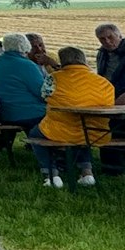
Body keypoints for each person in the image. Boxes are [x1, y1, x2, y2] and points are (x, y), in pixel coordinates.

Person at [35, 46, 111, 188]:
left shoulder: (55, 78)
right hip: (96, 131)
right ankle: (87, 172)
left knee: (36, 135)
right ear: (83, 60)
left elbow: (44, 95)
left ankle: (52, 175)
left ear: (62, 61)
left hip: (61, 128)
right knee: (82, 133)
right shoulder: (102, 81)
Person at [0, 33, 51, 170]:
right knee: (60, 117)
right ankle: (59, 159)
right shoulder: (27, 65)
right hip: (28, 113)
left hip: (4, 111)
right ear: (25, 46)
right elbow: (42, 93)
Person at [92, 23, 125, 92]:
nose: (107, 41)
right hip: (107, 92)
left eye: (110, 37)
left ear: (120, 36)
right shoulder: (102, 52)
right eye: (102, 39)